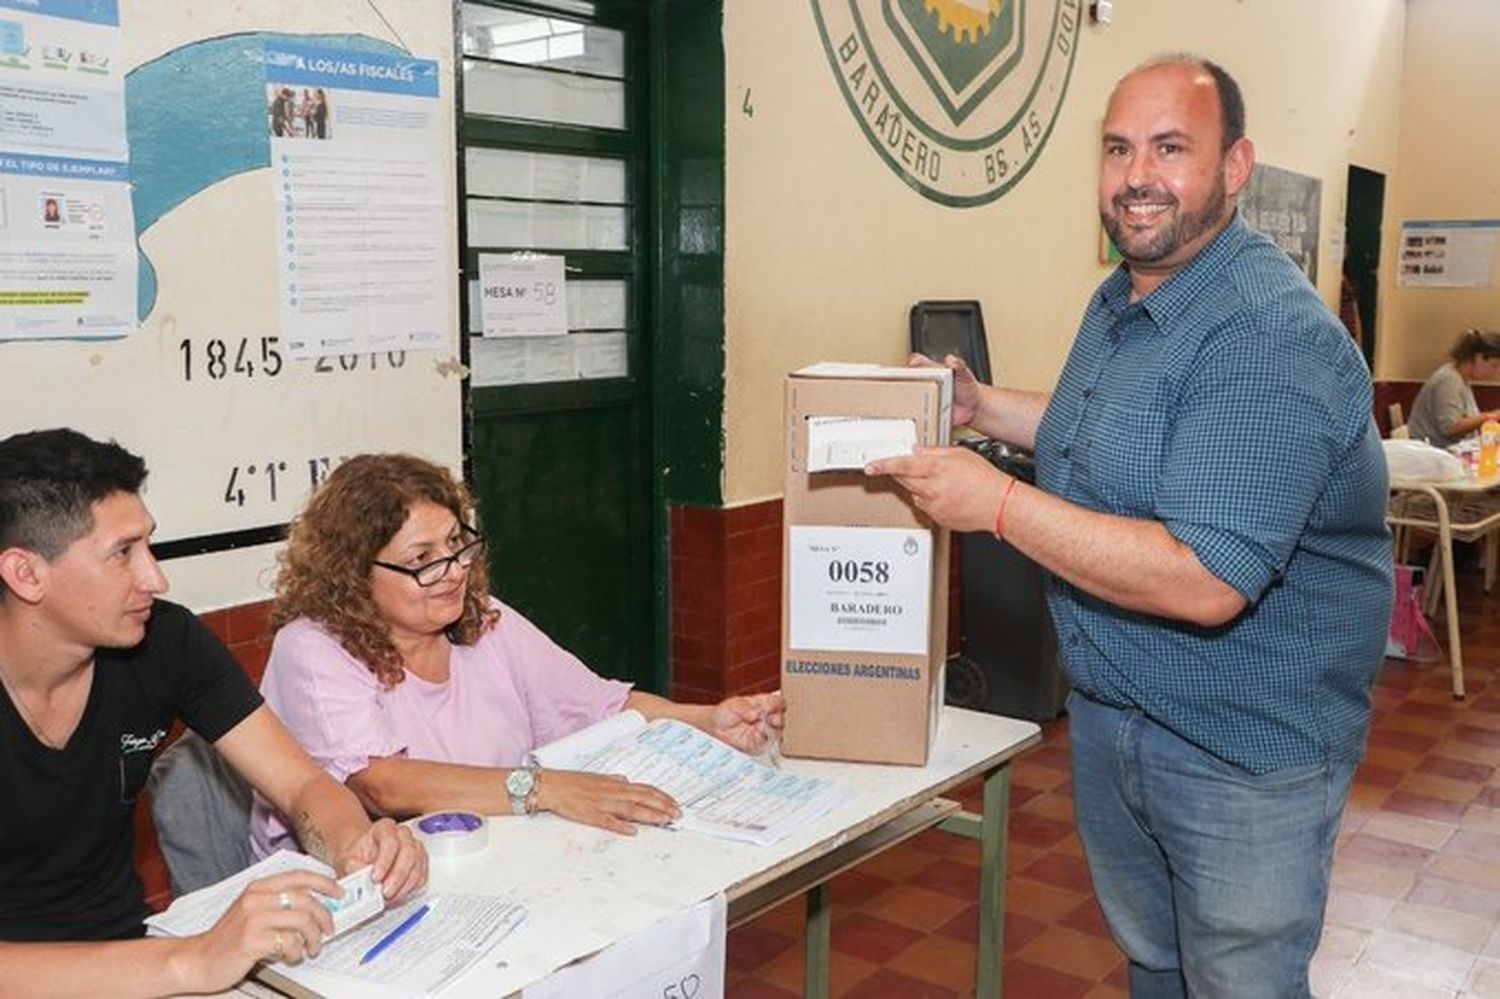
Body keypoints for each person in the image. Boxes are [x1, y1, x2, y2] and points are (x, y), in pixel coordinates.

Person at [868, 56, 1391, 997]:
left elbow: (1204, 577)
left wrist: (994, 502)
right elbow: (1100, 428)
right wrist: (983, 408)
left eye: (1169, 147)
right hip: (1120, 725)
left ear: (1236, 167)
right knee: (1157, 968)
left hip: (1242, 750)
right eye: (1117, 149)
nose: (1136, 175)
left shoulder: (1268, 335)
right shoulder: (1126, 296)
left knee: (1241, 983)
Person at [0, 429, 427, 997]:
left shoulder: (164, 639)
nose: (155, 578)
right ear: (26, 574)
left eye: (149, 546)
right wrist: (191, 962)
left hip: (134, 956)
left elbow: (301, 785)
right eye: (122, 554)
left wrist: (357, 847)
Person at [250, 453, 784, 855]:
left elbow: (600, 707)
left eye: (457, 544)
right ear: (354, 576)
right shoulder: (313, 647)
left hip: (497, 852)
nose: (454, 571)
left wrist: (706, 720)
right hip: (361, 880)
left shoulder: (484, 620)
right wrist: (544, 789)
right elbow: (381, 783)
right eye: (423, 560)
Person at [1405, 329, 1500, 448]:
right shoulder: (1448, 380)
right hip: (1433, 453)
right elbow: (1449, 427)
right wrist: (1491, 416)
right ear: (1478, 358)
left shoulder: (1461, 379)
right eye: (1494, 365)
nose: (1496, 372)